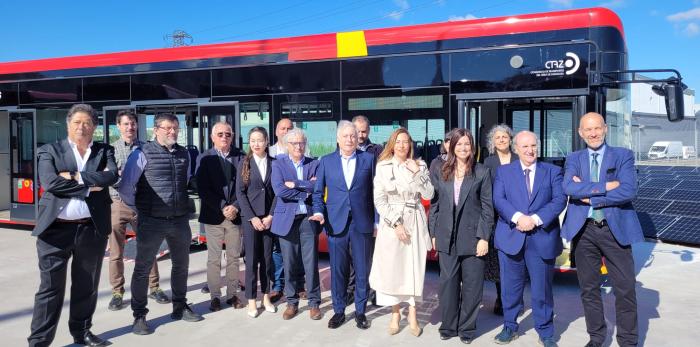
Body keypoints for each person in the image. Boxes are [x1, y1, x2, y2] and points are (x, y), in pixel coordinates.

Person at [28, 103, 118, 347]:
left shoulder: (104, 150)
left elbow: (112, 176)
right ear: (68, 124)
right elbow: (50, 182)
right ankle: (39, 341)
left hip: (91, 229)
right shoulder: (50, 150)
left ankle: (82, 332)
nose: (82, 127)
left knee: (86, 285)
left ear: (95, 127)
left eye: (87, 123)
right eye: (77, 122)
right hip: (55, 230)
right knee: (50, 289)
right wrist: (90, 185)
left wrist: (76, 176)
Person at [561, 112, 643, 347]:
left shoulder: (623, 155)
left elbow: (628, 191)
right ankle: (596, 339)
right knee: (589, 289)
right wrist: (608, 186)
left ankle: (628, 341)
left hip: (614, 230)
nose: (593, 133)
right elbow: (568, 187)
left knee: (625, 289)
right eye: (588, 130)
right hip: (584, 230)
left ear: (605, 129)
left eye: (597, 128)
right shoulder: (574, 158)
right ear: (580, 133)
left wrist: (590, 197)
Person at [120, 113, 203, 336]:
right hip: (151, 221)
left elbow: (184, 182)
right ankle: (139, 316)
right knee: (142, 269)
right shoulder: (142, 153)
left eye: (175, 128)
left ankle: (179, 306)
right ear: (155, 130)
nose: (172, 132)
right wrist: (140, 211)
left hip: (179, 220)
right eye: (167, 128)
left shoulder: (184, 153)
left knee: (181, 266)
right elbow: (127, 186)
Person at [492, 131, 566, 347]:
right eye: (524, 146)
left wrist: (534, 219)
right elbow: (499, 198)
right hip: (511, 237)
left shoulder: (553, 171)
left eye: (533, 145)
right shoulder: (504, 172)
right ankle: (510, 326)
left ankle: (545, 332)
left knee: (542, 290)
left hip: (541, 238)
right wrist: (518, 218)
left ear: (538, 146)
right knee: (510, 288)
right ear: (516, 148)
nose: (530, 150)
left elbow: (559, 199)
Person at [428, 128, 493, 344]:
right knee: (448, 285)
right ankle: (449, 326)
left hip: (473, 238)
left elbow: (487, 207)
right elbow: (435, 204)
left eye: (467, 144)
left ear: (472, 147)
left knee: (473, 286)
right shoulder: (441, 170)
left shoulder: (481, 172)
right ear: (451, 147)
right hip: (446, 236)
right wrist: (434, 233)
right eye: (459, 144)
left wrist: (484, 237)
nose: (463, 148)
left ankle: (467, 328)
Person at [310, 120, 375, 330]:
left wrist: (376, 221)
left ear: (358, 138)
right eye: (345, 136)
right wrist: (319, 212)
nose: (349, 139)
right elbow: (318, 192)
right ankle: (339, 311)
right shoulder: (326, 162)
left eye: (353, 136)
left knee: (363, 270)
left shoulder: (368, 159)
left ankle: (360, 311)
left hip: (362, 223)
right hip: (335, 223)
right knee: (338, 270)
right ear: (338, 139)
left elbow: (375, 193)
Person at [370, 128, 434, 337]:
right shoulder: (382, 166)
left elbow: (429, 194)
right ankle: (395, 313)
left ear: (410, 144)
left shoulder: (420, 165)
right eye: (398, 142)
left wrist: (417, 172)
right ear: (392, 144)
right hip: (392, 224)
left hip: (415, 220)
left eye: (406, 142)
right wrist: (396, 224)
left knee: (414, 269)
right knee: (393, 270)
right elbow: (380, 199)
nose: (402, 145)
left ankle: (413, 314)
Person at [107, 110, 169, 311]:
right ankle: (117, 292)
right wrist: (125, 180)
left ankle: (154, 287)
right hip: (117, 204)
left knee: (148, 248)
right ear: (118, 126)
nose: (130, 127)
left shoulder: (146, 148)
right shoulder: (111, 150)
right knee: (116, 251)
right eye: (125, 124)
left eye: (133, 124)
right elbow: (107, 176)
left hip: (142, 205)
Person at [270, 128, 323, 321]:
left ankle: (314, 303)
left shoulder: (314, 163)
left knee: (311, 263)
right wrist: (305, 190)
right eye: (294, 143)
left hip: (308, 220)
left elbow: (318, 187)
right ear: (286, 145)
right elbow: (280, 190)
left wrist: (295, 183)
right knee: (289, 263)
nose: (298, 146)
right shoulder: (278, 164)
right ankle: (292, 303)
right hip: (287, 221)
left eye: (301, 143)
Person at [195, 121, 245, 312]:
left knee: (233, 258)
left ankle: (232, 295)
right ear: (212, 137)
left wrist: (236, 207)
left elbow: (245, 187)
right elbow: (203, 189)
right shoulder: (204, 158)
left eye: (228, 134)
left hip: (234, 216)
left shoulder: (241, 157)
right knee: (214, 259)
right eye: (220, 134)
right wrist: (224, 206)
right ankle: (215, 297)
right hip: (213, 215)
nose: (225, 137)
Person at [236, 126, 277, 317]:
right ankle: (251, 300)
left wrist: (271, 216)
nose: (256, 144)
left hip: (269, 218)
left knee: (267, 260)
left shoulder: (275, 163)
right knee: (251, 261)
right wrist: (252, 217)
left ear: (267, 141)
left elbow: (278, 193)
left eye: (259, 140)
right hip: (250, 219)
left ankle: (266, 297)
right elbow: (240, 194)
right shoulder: (244, 163)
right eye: (252, 140)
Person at [268, 117, 306, 302]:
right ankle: (278, 285)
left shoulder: (302, 150)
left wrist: (299, 187)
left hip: (295, 209)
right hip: (274, 208)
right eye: (282, 128)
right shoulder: (270, 153)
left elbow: (310, 182)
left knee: (297, 251)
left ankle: (299, 284)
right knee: (278, 250)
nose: (286, 131)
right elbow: (277, 187)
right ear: (276, 132)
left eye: (289, 128)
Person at [482, 124, 518, 316]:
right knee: (498, 263)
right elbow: (487, 191)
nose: (502, 140)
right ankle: (501, 298)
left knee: (516, 262)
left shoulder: (519, 159)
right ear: (492, 142)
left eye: (505, 137)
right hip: (497, 219)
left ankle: (514, 300)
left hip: (518, 218)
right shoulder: (488, 162)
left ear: (510, 140)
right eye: (498, 138)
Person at [348, 115, 383, 305]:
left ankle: (372, 291)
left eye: (364, 131)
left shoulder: (377, 151)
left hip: (371, 210)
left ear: (369, 131)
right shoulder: (342, 150)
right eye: (357, 131)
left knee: (370, 255)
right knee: (352, 255)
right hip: (349, 212)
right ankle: (352, 290)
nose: (360, 135)